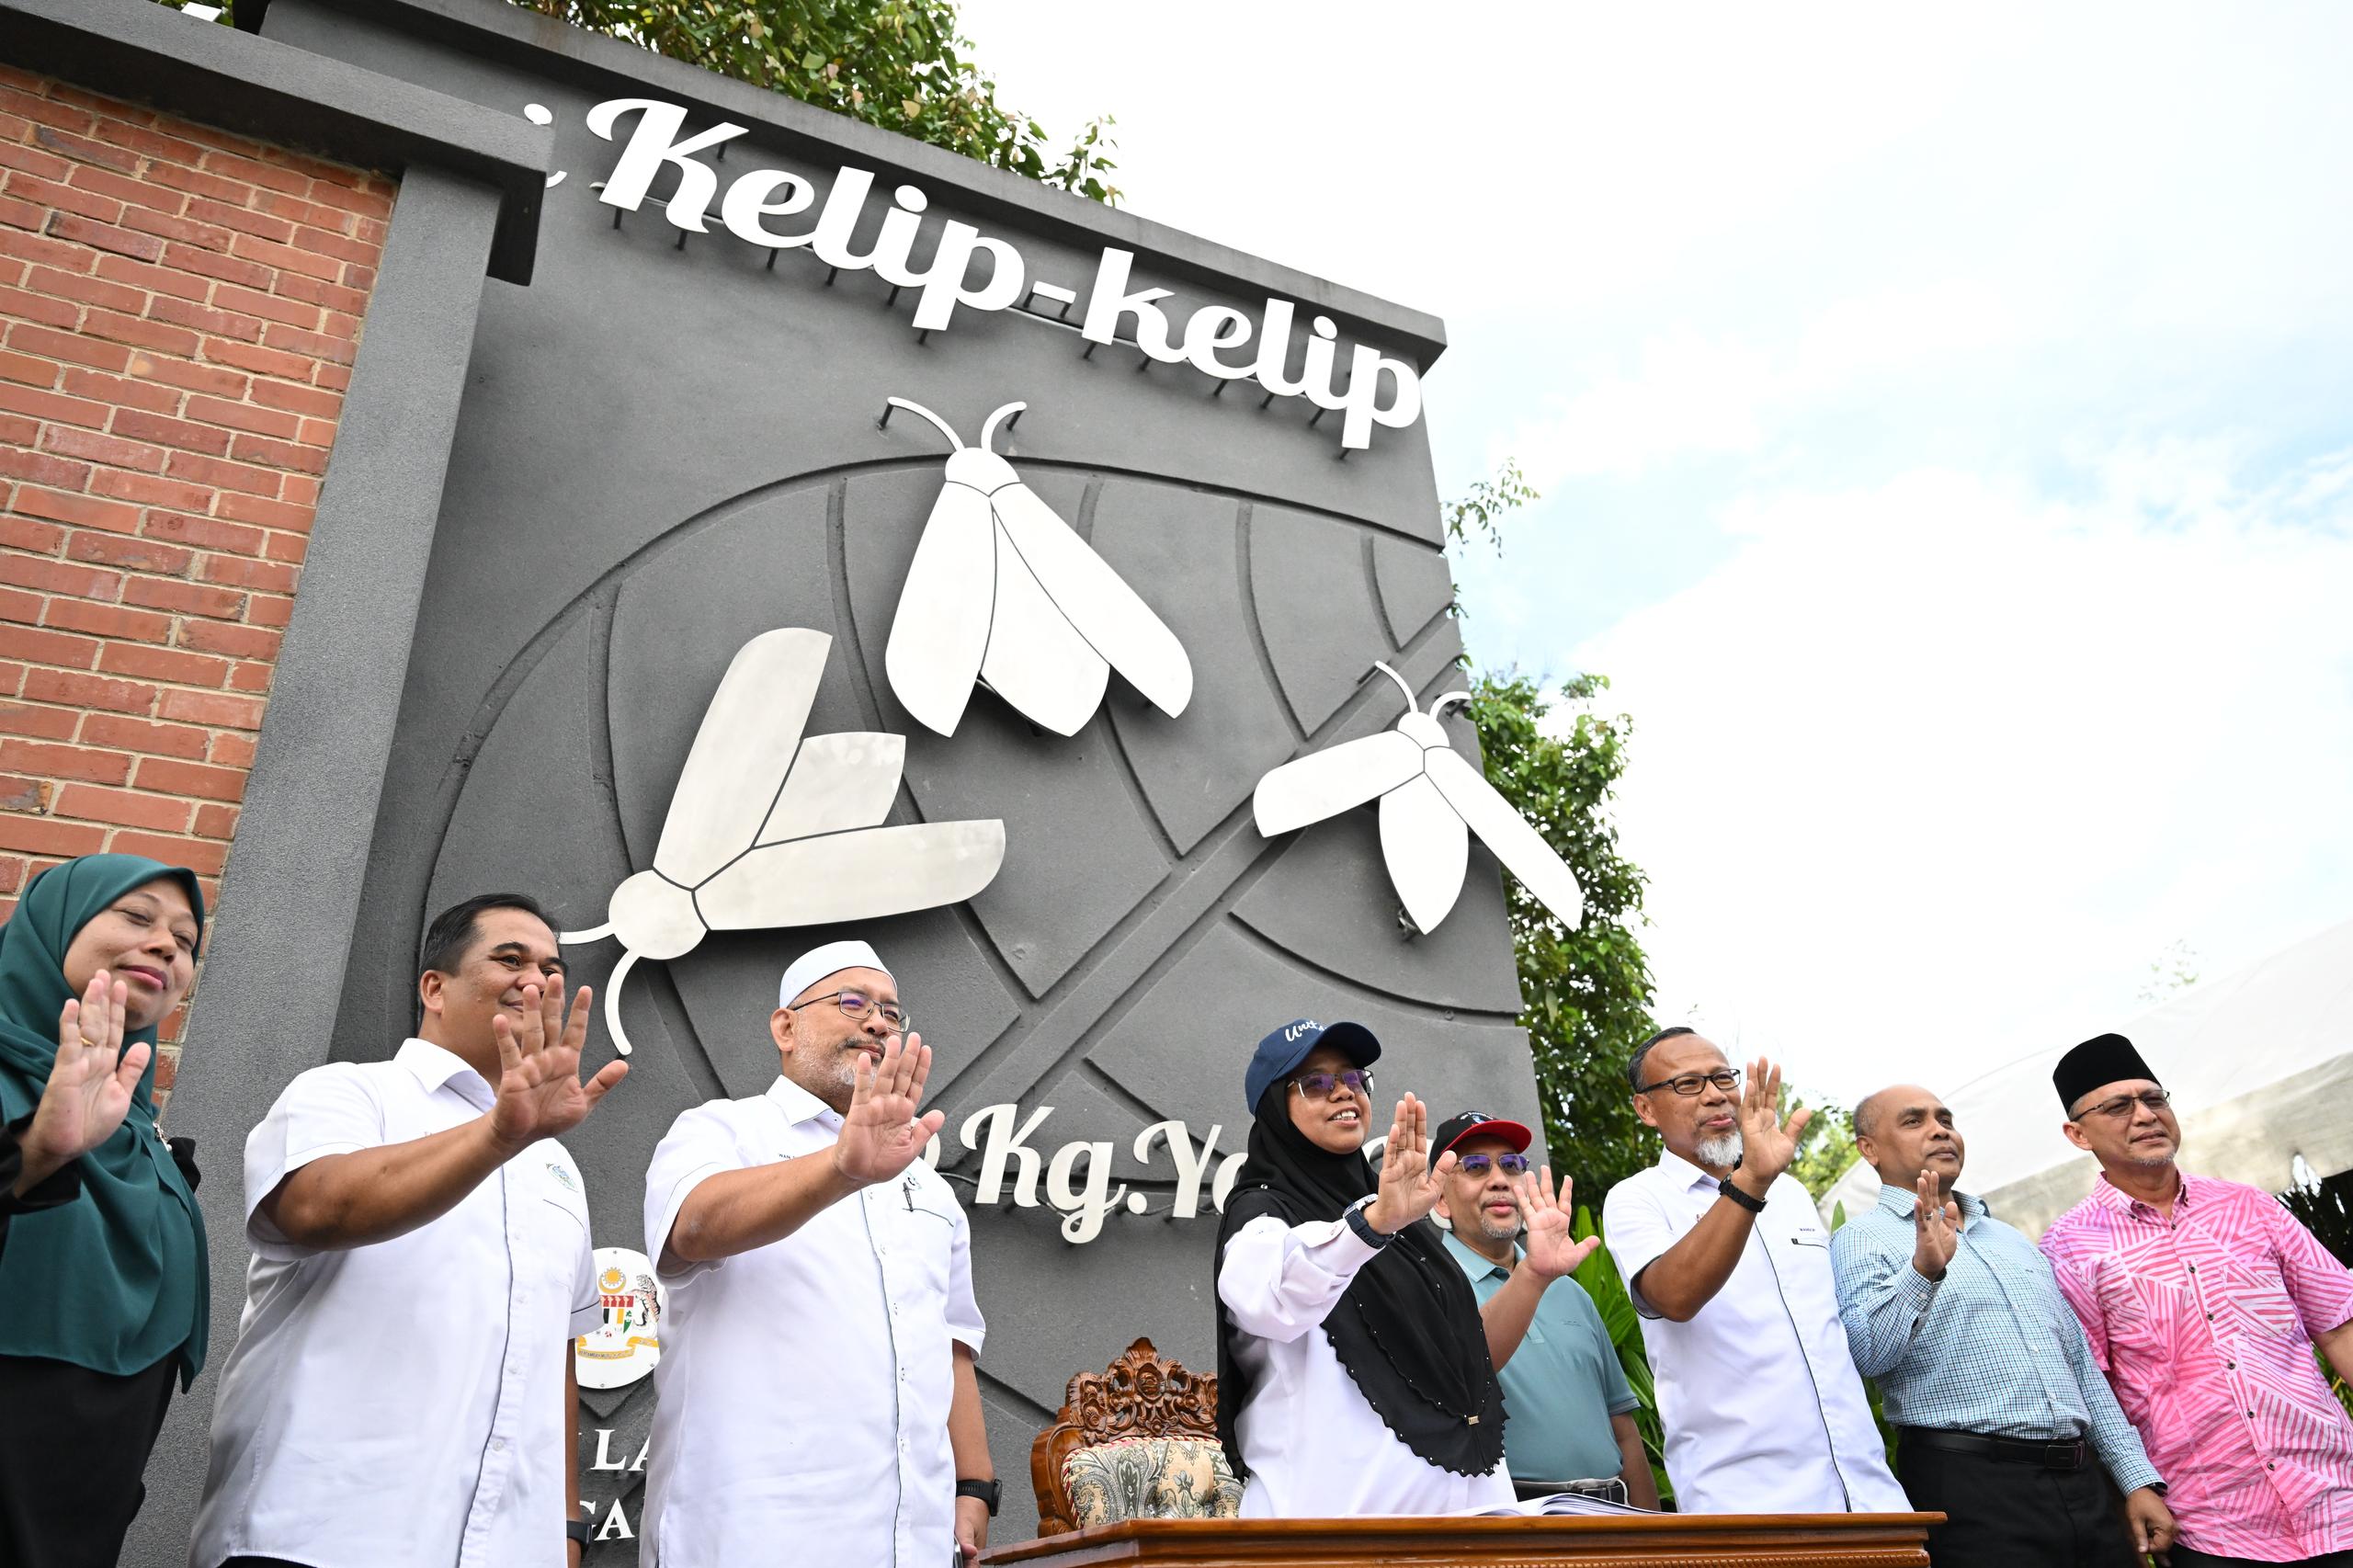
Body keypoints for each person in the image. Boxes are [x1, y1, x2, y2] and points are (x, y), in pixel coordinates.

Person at [190, 892, 628, 1568]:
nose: (534, 981)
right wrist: (497, 1136)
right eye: (509, 959)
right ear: (435, 987)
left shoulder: (554, 1163)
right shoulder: (347, 1093)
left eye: (550, 968)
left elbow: (558, 1353)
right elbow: (319, 1208)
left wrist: (565, 1531)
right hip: (322, 1532)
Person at [640, 940, 993, 1568]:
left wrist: (974, 1487)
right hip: (753, 1532)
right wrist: (841, 1170)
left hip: (911, 1537)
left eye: (890, 1011)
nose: (877, 1022)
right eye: (851, 1001)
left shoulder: (927, 1187)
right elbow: (691, 1229)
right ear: (785, 1026)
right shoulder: (721, 1130)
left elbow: (951, 1343)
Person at [1212, 1018, 1597, 1518]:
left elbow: (1463, 1358)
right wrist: (1369, 1226)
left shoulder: (1399, 1217)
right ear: (1274, 1109)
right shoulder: (1262, 1214)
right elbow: (1273, 1302)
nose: (1342, 1093)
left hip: (1463, 1527)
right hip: (1332, 1536)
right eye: (1316, 1083)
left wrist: (1533, 1275)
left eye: (1353, 1079)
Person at [2040, 1032, 2353, 1568]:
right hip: (2209, 1523)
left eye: (2154, 1099)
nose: (2145, 1116)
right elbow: (2089, 1389)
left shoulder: (2249, 1207)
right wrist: (2128, 1494)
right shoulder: (2068, 1248)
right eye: (2118, 1107)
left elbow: (2339, 1325)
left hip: (2336, 1493)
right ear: (2077, 1134)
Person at [1831, 1082, 2173, 1566]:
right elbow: (1868, 1357)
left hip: (2083, 1486)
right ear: (1870, 1149)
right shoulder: (1860, 1239)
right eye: (1915, 1121)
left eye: (1945, 1119)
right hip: (1969, 1487)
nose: (1939, 1131)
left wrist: (2135, 1479)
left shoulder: (2010, 1239)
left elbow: (2078, 1363)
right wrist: (1922, 1272)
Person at [0, 854, 209, 1568]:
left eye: (185, 941)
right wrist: (34, 1154)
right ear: (54, 923)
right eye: (136, 916)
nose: (165, 947)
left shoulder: (135, 1131)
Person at [1601, 1026, 1904, 1514]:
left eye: (1723, 1078)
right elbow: (1673, 1296)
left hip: (1867, 1492)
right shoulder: (1638, 1198)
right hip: (1747, 1504)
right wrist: (1750, 1183)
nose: (1716, 1095)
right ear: (1646, 1109)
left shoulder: (1790, 1194)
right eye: (1688, 1084)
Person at [1431, 1109, 1657, 1508]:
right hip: (1514, 1525)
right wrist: (1534, 1275)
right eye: (1476, 1167)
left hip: (1615, 1518)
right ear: (1441, 1200)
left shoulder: (1570, 1292)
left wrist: (1653, 1541)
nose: (1499, 1178)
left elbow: (1623, 1430)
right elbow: (1461, 1373)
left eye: (1512, 1164)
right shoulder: (1427, 1287)